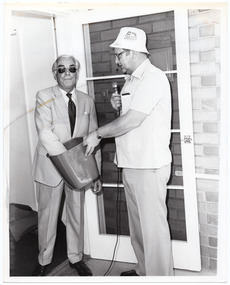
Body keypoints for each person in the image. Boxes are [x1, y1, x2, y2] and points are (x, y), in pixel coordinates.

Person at [83, 27, 174, 276]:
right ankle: (144, 270)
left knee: (153, 230)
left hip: (149, 164)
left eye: (119, 55)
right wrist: (117, 108)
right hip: (132, 163)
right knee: (138, 228)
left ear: (133, 52)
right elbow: (129, 119)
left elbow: (133, 121)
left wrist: (98, 133)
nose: (116, 60)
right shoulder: (131, 79)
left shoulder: (153, 78)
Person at [32, 54, 101, 276]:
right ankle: (43, 260)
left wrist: (95, 174)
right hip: (51, 166)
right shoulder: (43, 96)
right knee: (47, 216)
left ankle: (75, 257)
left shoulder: (87, 100)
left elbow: (93, 137)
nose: (67, 73)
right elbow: (45, 133)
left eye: (72, 68)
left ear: (77, 72)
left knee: (75, 214)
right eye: (62, 69)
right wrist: (67, 162)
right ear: (55, 73)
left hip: (79, 169)